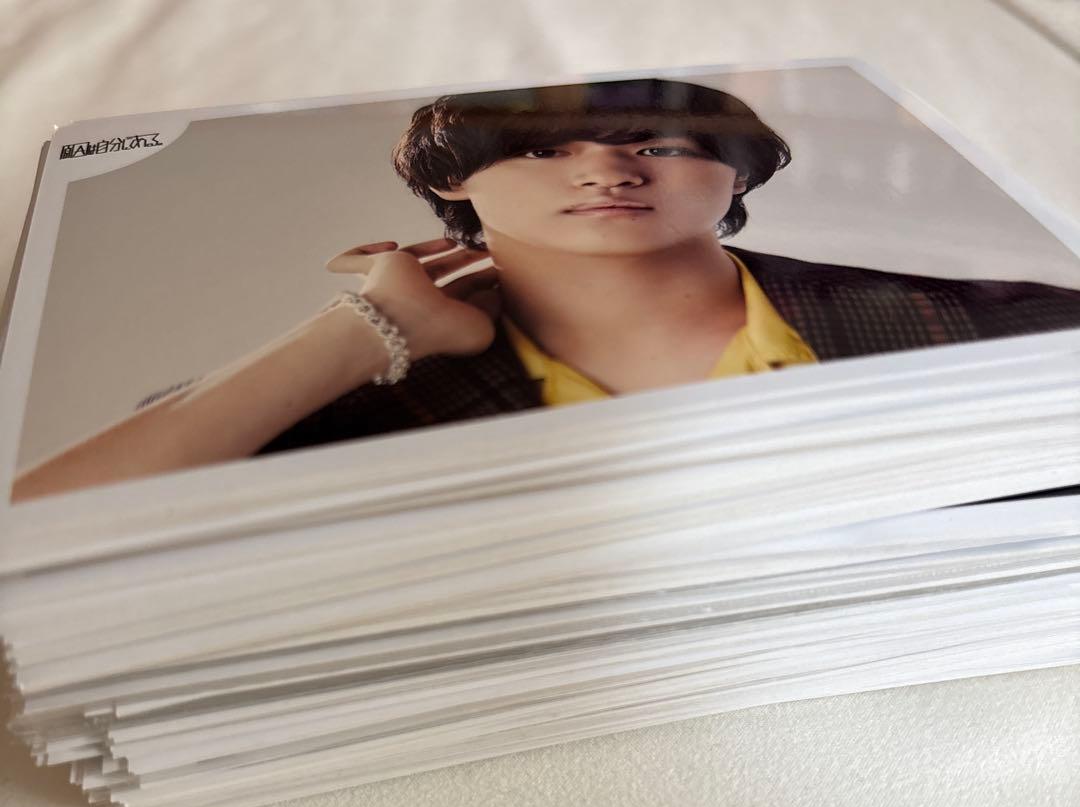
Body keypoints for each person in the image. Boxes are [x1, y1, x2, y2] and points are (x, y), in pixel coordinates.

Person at [13, 78, 1080, 501]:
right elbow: (45, 522)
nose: (607, 172)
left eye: (658, 144)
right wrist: (364, 330)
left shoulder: (1015, 322)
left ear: (738, 173)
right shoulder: (357, 411)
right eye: (542, 151)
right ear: (451, 180)